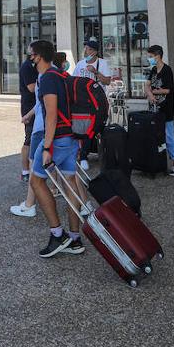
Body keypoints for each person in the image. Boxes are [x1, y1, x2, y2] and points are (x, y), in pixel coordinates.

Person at [26, 39, 86, 259]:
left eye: (31, 55)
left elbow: (51, 114)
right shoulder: (62, 75)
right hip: (71, 138)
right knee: (70, 185)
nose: (29, 58)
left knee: (36, 181)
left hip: (57, 139)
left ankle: (57, 233)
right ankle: (75, 238)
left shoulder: (49, 78)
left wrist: (47, 147)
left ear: (38, 56)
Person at [71, 38, 115, 170]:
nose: (87, 51)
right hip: (83, 102)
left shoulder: (102, 63)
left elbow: (107, 81)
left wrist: (95, 72)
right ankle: (83, 155)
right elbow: (74, 80)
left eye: (90, 49)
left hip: (98, 101)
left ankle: (104, 153)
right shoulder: (80, 64)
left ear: (95, 52)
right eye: (86, 48)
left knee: (98, 127)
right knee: (85, 127)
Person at [10, 43, 40, 218]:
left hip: (35, 109)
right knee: (29, 141)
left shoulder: (37, 67)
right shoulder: (27, 67)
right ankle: (25, 171)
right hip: (30, 109)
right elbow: (31, 88)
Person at [143, 44, 174, 177]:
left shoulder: (167, 70)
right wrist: (150, 94)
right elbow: (146, 85)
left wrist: (152, 91)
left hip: (166, 110)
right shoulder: (153, 70)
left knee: (169, 136)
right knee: (154, 137)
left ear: (157, 56)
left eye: (150, 56)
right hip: (153, 109)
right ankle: (155, 163)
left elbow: (167, 90)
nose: (149, 59)